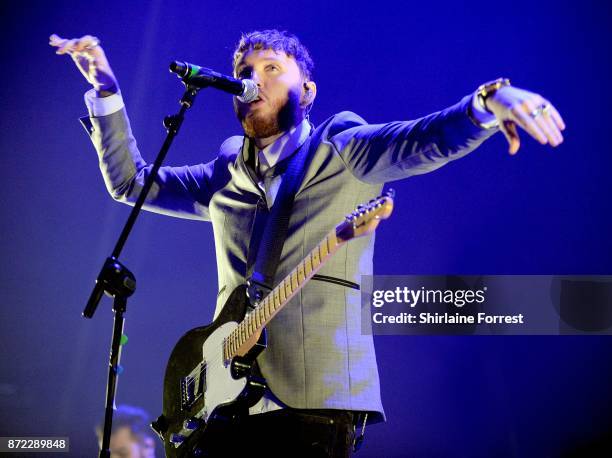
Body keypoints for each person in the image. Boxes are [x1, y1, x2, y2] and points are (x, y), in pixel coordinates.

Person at [51, 30, 564, 457]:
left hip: (313, 405)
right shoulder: (225, 171)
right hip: (222, 407)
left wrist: (486, 103)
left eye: (272, 66)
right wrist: (106, 89)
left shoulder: (341, 147)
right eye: (245, 68)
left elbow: (418, 140)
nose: (253, 76)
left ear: (309, 90)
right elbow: (132, 184)